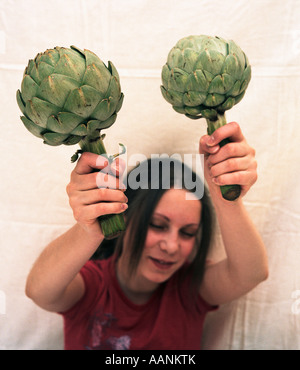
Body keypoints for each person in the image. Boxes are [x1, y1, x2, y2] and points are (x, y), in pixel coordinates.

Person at [25, 122, 268, 350]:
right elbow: (39, 291)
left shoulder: (189, 288)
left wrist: (226, 197)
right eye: (158, 225)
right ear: (126, 215)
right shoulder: (93, 285)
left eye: (188, 233)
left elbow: (251, 273)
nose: (171, 246)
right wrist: (91, 225)